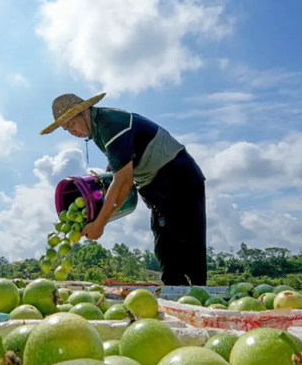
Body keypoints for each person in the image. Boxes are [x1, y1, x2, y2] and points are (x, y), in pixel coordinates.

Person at [41, 92, 207, 286]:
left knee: (184, 248)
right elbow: (124, 157)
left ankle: (197, 295)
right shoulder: (100, 126)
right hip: (158, 186)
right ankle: (188, 293)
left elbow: (124, 182)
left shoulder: (110, 124)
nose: (73, 132)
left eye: (72, 124)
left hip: (178, 179)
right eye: (67, 129)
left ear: (84, 112)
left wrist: (99, 224)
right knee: (168, 249)